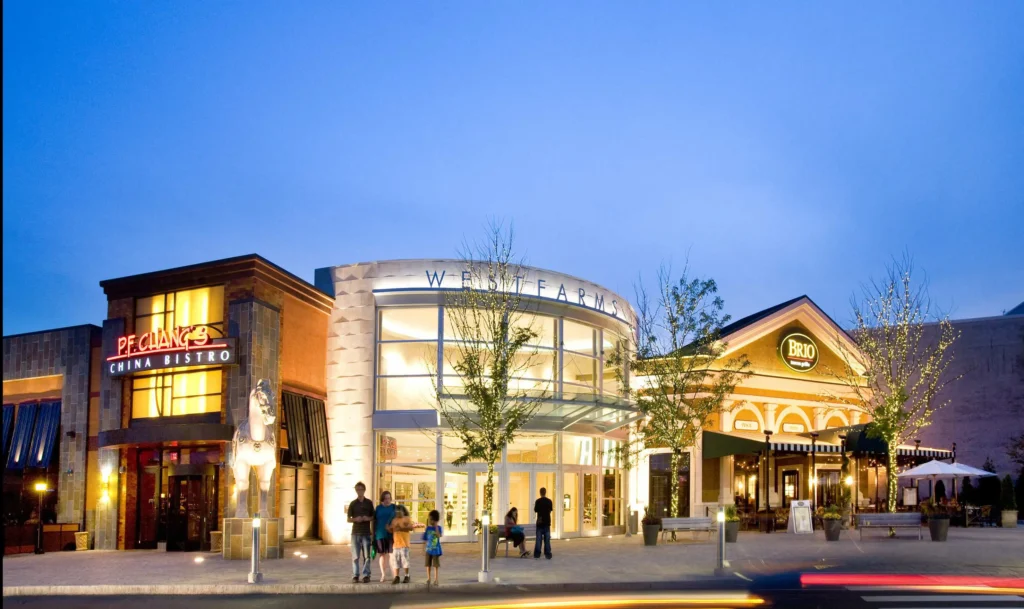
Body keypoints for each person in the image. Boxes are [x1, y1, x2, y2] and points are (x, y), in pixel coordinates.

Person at [347, 482, 374, 583]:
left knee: (367, 556)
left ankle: (366, 575)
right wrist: (355, 519)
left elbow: (373, 517)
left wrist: (367, 518)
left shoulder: (369, 503)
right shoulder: (353, 504)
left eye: (361, 489)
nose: (359, 491)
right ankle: (355, 575)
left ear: (364, 490)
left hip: (366, 532)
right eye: (357, 489)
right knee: (355, 556)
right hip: (355, 533)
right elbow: (348, 519)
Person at [387, 505, 414, 584]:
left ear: (403, 511)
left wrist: (401, 528)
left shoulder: (406, 519)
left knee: (405, 560)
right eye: (396, 512)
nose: (398, 513)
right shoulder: (394, 520)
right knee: (396, 561)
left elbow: (411, 528)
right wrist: (389, 529)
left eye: (399, 511)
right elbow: (392, 530)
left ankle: (407, 575)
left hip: (404, 544)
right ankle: (396, 576)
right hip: (396, 544)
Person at [374, 491, 397, 582]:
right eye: (385, 498)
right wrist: (373, 534)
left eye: (389, 498)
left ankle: (394, 575)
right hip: (380, 534)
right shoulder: (378, 508)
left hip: (391, 534)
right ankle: (383, 574)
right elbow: (374, 521)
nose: (387, 500)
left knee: (392, 554)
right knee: (382, 555)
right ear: (382, 499)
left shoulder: (394, 507)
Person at [422, 509, 443, 585]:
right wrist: (423, 548)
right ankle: (428, 578)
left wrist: (436, 526)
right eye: (430, 519)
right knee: (428, 565)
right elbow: (425, 538)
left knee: (435, 565)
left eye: (432, 519)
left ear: (435, 520)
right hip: (428, 550)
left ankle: (436, 579)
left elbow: (439, 535)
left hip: (436, 550)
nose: (430, 521)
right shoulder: (427, 528)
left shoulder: (439, 528)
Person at [533, 487, 553, 559]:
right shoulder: (549, 501)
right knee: (547, 539)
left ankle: (537, 553)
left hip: (539, 522)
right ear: (545, 492)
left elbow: (536, 510)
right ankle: (547, 553)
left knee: (538, 539)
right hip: (547, 522)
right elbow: (550, 510)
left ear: (540, 492)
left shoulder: (537, 501)